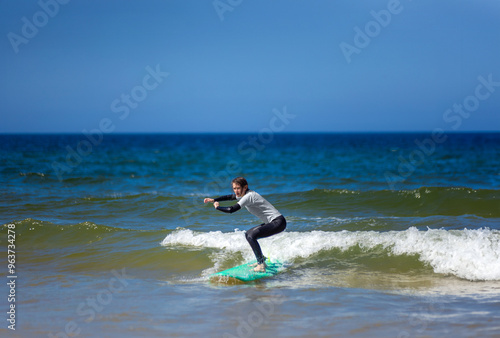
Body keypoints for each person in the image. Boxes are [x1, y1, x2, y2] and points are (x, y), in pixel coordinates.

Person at [204, 177, 286, 272]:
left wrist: (218, 207)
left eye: (238, 188)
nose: (236, 191)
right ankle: (261, 260)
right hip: (274, 222)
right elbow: (230, 197)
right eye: (234, 188)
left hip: (278, 222)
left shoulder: (249, 196)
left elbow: (232, 209)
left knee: (251, 236)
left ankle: (261, 264)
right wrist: (213, 200)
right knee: (248, 234)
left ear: (245, 187)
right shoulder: (244, 194)